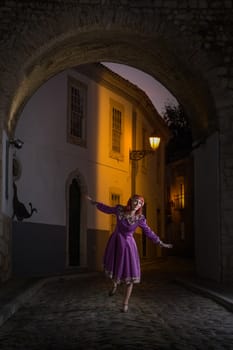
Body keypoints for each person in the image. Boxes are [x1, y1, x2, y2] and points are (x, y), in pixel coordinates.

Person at [87, 194, 173, 312]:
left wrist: (160, 243)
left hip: (129, 246)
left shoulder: (140, 219)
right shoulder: (119, 210)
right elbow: (107, 209)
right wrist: (95, 203)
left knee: (130, 273)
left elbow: (148, 232)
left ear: (140, 206)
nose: (137, 204)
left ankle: (125, 303)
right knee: (114, 267)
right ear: (131, 201)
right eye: (135, 201)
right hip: (116, 242)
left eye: (139, 203)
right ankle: (114, 285)